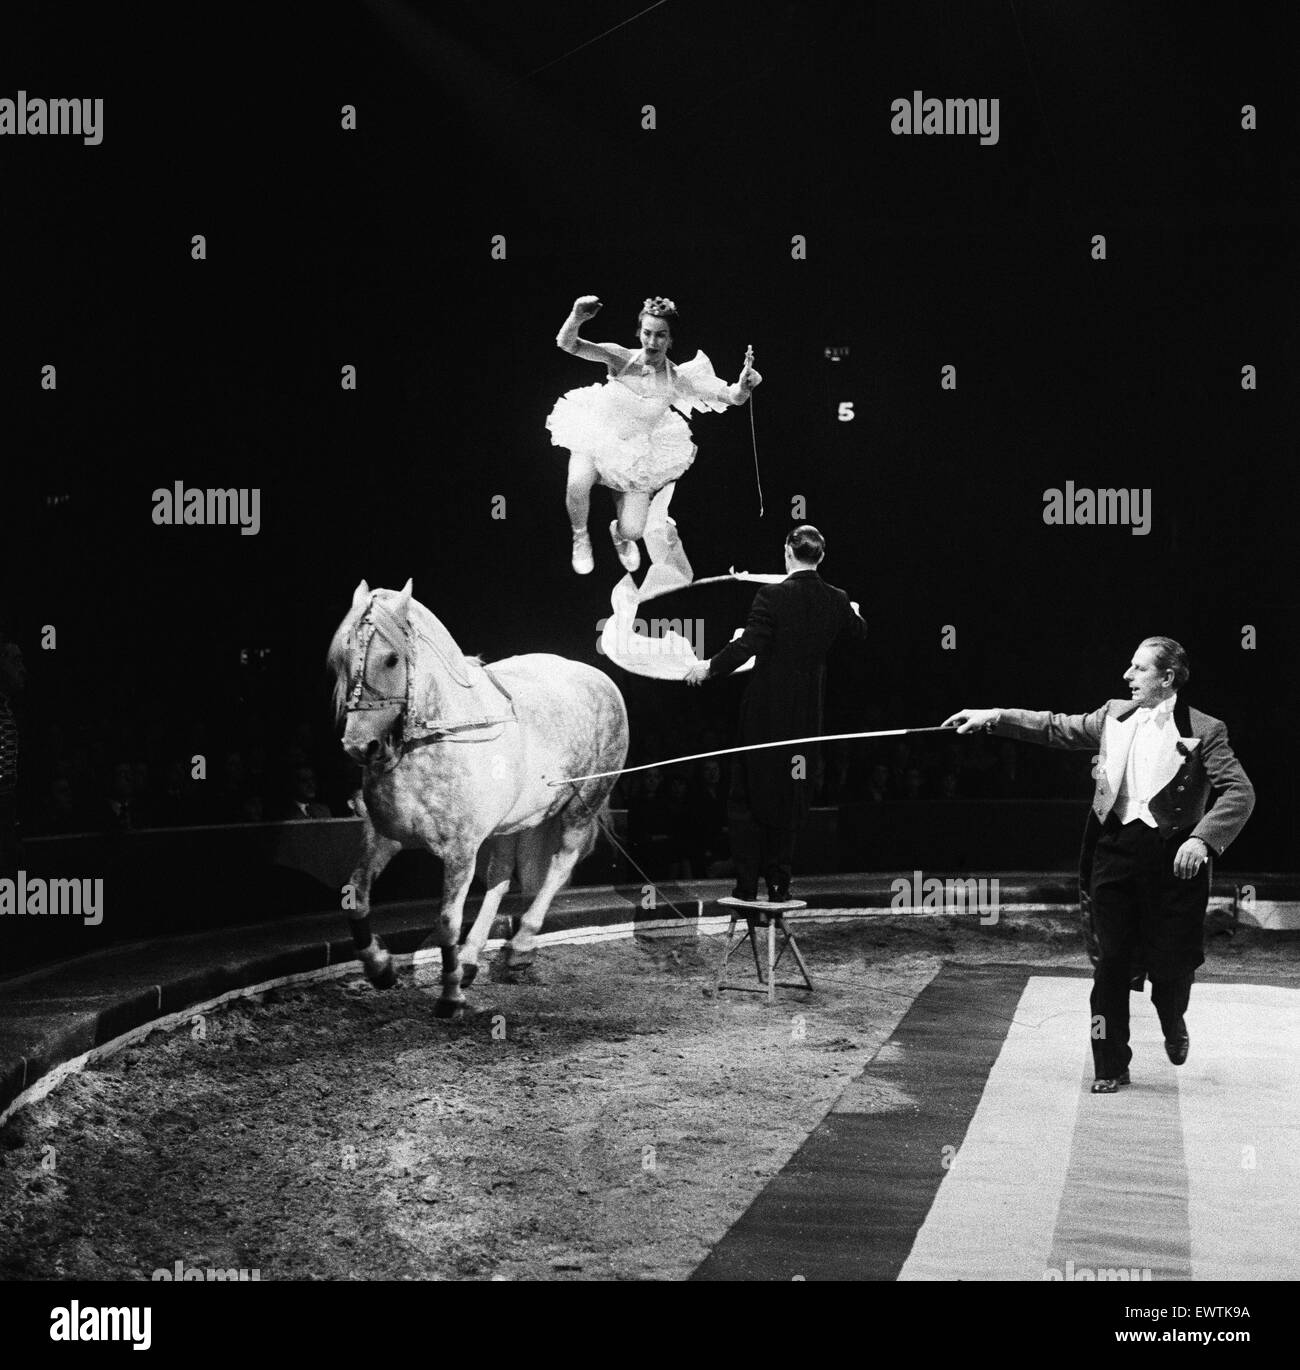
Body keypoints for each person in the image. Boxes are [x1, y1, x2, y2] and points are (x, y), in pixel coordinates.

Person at [943, 636, 1254, 1094]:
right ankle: (1110, 1064)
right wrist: (993, 717)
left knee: (1172, 966)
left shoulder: (1206, 729)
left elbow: (1240, 792)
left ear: (1167, 678)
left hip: (1175, 860)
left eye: (1138, 669)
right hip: (1114, 851)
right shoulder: (1112, 715)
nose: (1127, 677)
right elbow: (1053, 726)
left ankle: (1173, 1017)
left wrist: (1203, 840)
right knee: (1110, 963)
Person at [683, 525, 867, 903]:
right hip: (806, 721)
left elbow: (748, 645)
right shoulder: (837, 599)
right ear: (822, 556)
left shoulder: (771, 596)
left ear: (787, 552)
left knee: (747, 798)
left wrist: (708, 668)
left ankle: (748, 886)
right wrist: (854, 612)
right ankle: (780, 882)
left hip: (765, 716)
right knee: (790, 795)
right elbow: (859, 633)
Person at [548, 294, 761, 575]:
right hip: (598, 435)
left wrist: (745, 384)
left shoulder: (678, 379)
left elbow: (730, 396)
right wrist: (576, 317)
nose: (652, 342)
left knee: (634, 529)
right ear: (639, 332)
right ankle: (580, 538)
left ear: (670, 340)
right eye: (647, 333)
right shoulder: (620, 357)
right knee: (577, 483)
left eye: (661, 336)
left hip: (637, 453)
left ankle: (620, 535)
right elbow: (568, 344)